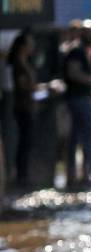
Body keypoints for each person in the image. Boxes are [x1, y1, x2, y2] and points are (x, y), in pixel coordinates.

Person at [61, 19, 91, 190]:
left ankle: (75, 176)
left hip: (81, 98)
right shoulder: (77, 51)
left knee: (76, 137)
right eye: (87, 32)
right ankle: (85, 175)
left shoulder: (83, 52)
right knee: (87, 136)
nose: (90, 35)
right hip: (78, 100)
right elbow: (73, 72)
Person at [7, 30, 39, 188]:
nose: (32, 46)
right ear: (23, 46)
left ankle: (23, 175)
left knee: (28, 141)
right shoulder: (19, 65)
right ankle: (21, 176)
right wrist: (36, 88)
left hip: (28, 105)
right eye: (29, 43)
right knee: (24, 142)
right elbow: (24, 86)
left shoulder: (25, 62)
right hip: (23, 106)